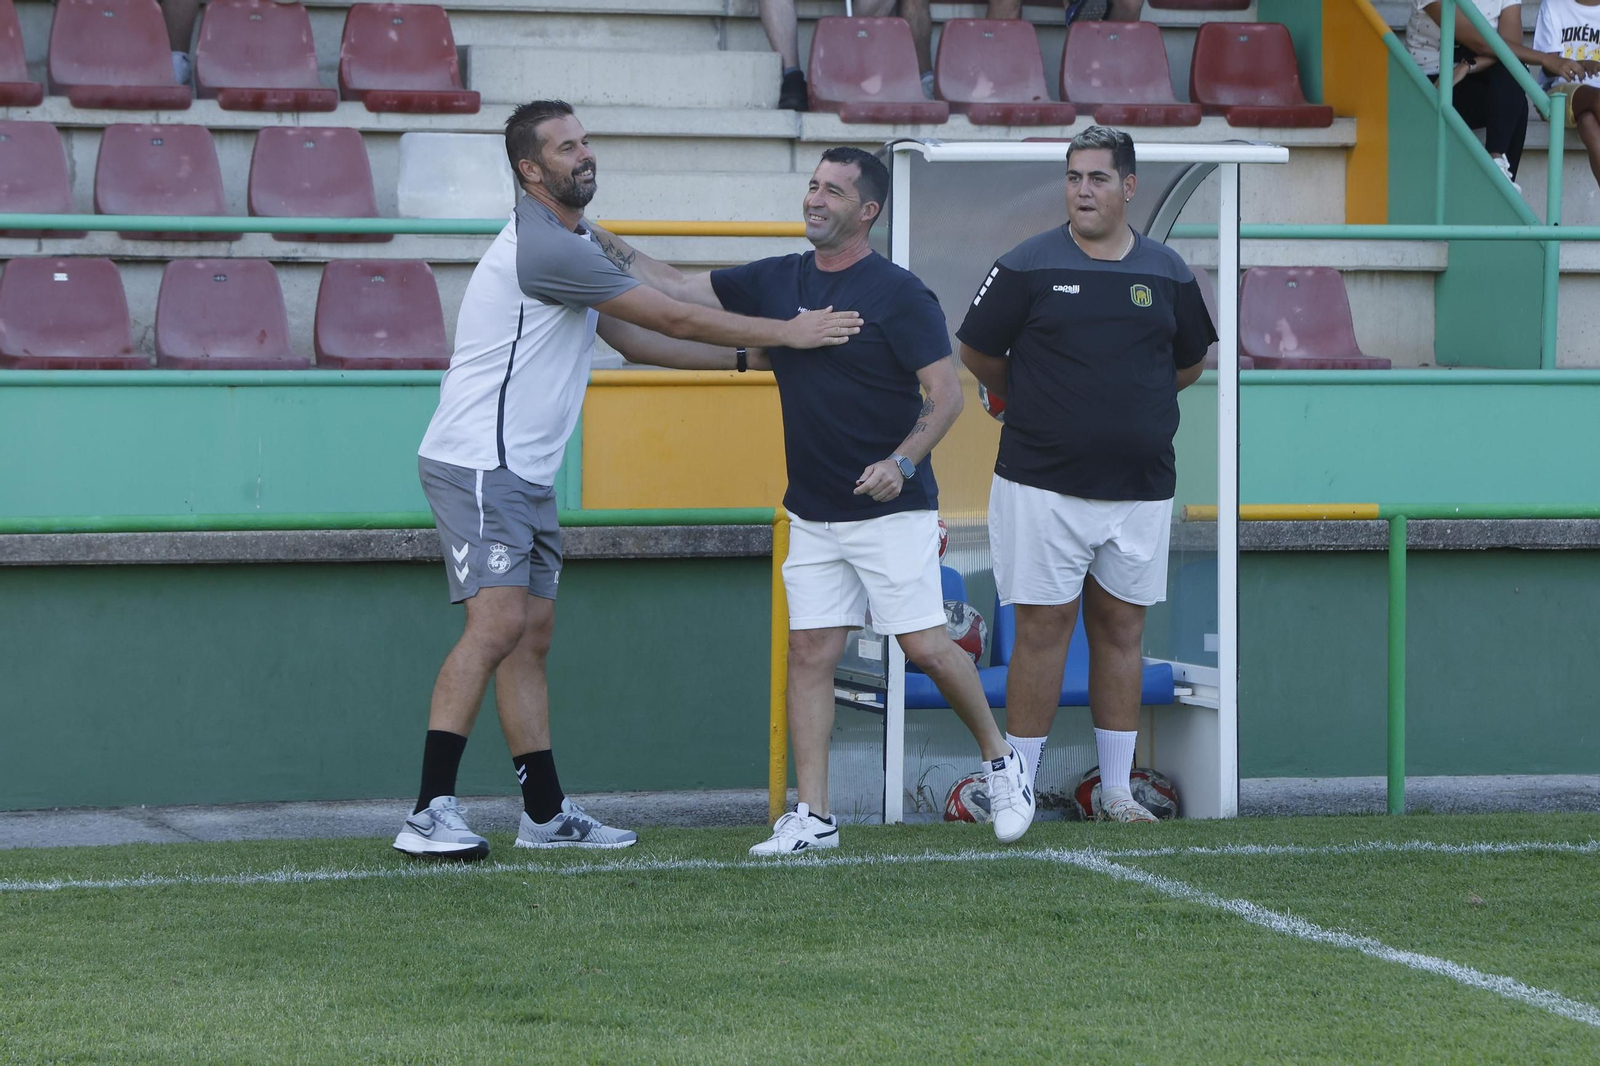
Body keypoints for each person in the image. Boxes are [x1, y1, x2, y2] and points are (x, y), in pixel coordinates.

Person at [394, 100, 864, 861]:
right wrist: (787, 332)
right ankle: (427, 812)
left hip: (523, 471)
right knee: (494, 628)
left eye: (585, 141)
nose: (584, 155)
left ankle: (544, 814)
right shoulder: (549, 248)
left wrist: (757, 360)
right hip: (480, 464)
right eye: (566, 147)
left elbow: (646, 332)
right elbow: (674, 317)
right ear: (529, 170)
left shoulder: (576, 243)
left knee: (528, 637)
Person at [585, 147, 1037, 854]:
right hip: (814, 511)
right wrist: (590, 237)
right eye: (812, 185)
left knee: (924, 647)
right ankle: (815, 818)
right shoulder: (777, 279)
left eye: (833, 191)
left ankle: (1001, 762)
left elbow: (948, 395)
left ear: (868, 211)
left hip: (894, 508)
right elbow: (669, 283)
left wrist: (901, 460)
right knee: (810, 654)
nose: (815, 199)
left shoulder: (900, 293)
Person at [956, 126, 1215, 824]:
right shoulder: (1026, 264)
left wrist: (1135, 404)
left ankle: (1119, 792)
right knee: (1042, 631)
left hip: (1140, 488)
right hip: (1041, 484)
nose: (1082, 190)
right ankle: (1018, 793)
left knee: (1122, 632)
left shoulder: (1167, 271)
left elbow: (1189, 361)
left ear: (1129, 187)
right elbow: (976, 352)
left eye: (1098, 178)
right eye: (1073, 177)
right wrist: (1036, 397)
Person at [1406, 1, 1593, 190]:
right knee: (1517, 97)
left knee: (1515, 75)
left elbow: (1511, 46)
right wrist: (1545, 58)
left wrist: (1468, 65)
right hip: (1430, 83)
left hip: (1474, 74)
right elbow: (1480, 42)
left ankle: (1497, 163)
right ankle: (1500, 182)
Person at [1533, 0, 1600, 187]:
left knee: (1587, 122)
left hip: (1589, 104)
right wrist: (1580, 63)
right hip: (1559, 91)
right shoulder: (1554, 6)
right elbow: (1548, 67)